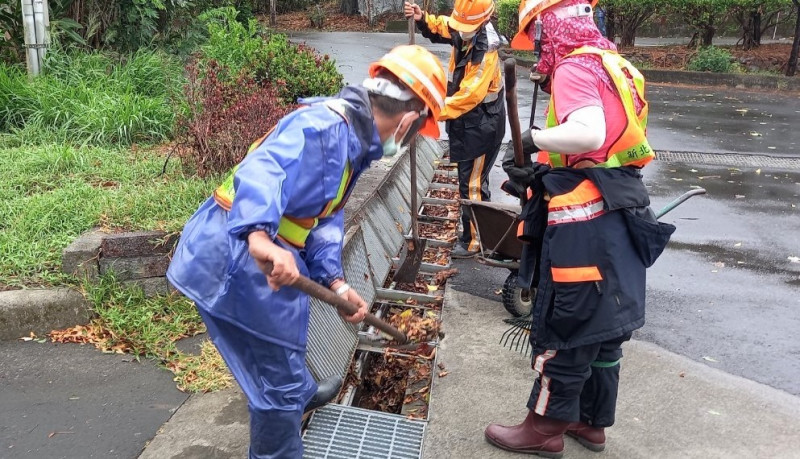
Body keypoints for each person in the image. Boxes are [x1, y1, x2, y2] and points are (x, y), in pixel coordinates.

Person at [166, 45, 447, 459]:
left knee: (287, 346)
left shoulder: (352, 137)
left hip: (253, 250)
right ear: (408, 121)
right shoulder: (322, 128)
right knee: (276, 386)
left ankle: (299, 390)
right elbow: (263, 171)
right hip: (233, 254)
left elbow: (322, 217)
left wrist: (335, 280)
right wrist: (258, 237)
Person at [485, 0, 675, 457]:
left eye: (538, 36)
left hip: (584, 220)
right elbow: (610, 145)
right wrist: (542, 169)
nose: (539, 48)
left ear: (550, 27)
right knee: (606, 327)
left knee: (568, 324)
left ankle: (544, 428)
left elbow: (588, 134)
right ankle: (591, 424)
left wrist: (534, 140)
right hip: (624, 208)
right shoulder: (618, 66)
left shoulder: (574, 67)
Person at [404, 0, 506, 258]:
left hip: (482, 125)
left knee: (471, 185)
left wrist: (429, 110)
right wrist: (422, 18)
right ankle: (480, 232)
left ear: (482, 22)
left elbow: (468, 97)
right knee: (471, 181)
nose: (459, 30)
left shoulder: (486, 52)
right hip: (470, 123)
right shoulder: (466, 28)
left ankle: (474, 241)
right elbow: (446, 27)